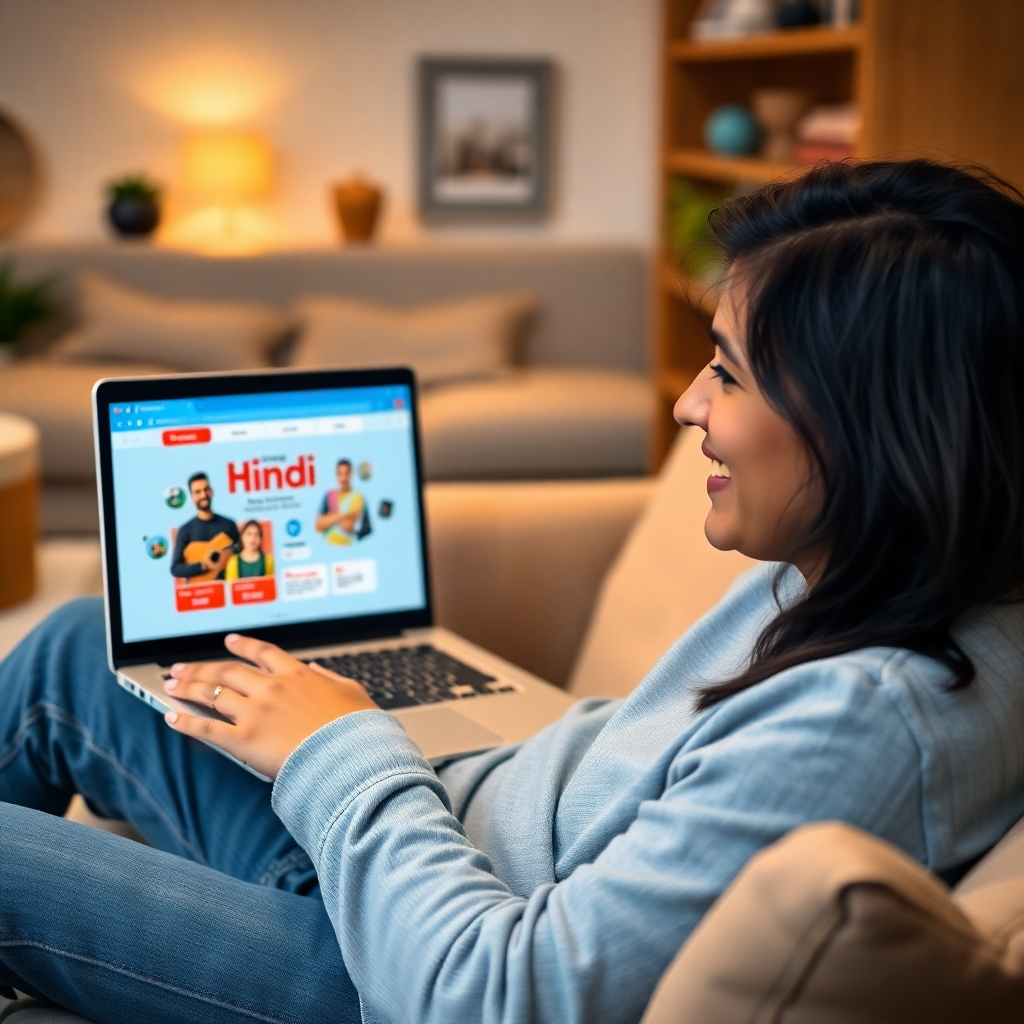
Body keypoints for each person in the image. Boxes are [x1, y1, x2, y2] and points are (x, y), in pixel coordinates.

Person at [1, 159, 1024, 1024]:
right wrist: (419, 757)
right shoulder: (869, 569)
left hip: (387, 966)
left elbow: (493, 994)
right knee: (78, 647)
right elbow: (650, 768)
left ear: (875, 424)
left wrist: (342, 749)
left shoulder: (865, 719)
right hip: (425, 862)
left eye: (728, 372)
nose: (685, 404)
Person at [169, 472, 242, 581]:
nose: (203, 495)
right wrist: (202, 566)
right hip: (198, 593)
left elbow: (240, 549)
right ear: (192, 497)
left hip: (225, 590)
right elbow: (175, 568)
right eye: (197, 492)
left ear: (211, 492)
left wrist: (228, 553)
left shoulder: (229, 524)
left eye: (206, 489)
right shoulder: (185, 530)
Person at [314, 458, 368, 545]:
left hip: (348, 546)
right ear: (336, 476)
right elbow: (318, 525)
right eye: (340, 474)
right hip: (327, 545)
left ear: (351, 475)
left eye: (346, 474)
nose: (343, 478)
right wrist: (343, 515)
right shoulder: (329, 495)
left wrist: (330, 517)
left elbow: (349, 525)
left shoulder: (357, 496)